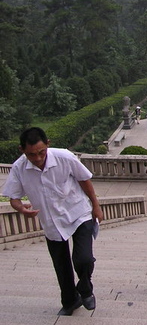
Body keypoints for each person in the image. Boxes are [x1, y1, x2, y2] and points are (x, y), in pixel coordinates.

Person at [2, 127, 103, 315]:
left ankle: (86, 290)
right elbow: (14, 198)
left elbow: (84, 179)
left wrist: (95, 205)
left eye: (41, 152)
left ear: (48, 144)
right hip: (51, 221)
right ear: (22, 150)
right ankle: (70, 301)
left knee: (83, 259)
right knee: (61, 265)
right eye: (32, 154)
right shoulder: (19, 168)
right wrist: (21, 208)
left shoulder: (64, 157)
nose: (38, 158)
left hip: (78, 213)